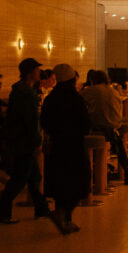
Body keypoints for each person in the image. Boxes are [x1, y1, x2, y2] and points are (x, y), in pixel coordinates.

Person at [0, 58, 52, 225]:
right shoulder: (26, 93)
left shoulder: (21, 90)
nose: (39, 73)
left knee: (33, 176)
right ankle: (2, 213)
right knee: (20, 178)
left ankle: (41, 208)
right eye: (37, 70)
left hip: (19, 139)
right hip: (24, 141)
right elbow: (29, 120)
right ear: (30, 73)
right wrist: (36, 140)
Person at [40, 63, 90, 234]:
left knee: (61, 182)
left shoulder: (51, 98)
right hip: (74, 145)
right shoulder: (75, 99)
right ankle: (62, 214)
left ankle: (65, 219)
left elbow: (44, 122)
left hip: (57, 146)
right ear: (72, 79)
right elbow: (85, 124)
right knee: (79, 182)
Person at [81, 69, 128, 185]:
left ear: (92, 80)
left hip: (99, 128)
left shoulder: (91, 90)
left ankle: (93, 170)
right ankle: (126, 170)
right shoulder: (113, 90)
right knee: (118, 142)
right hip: (115, 127)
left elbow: (78, 100)